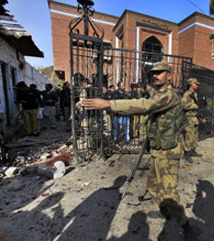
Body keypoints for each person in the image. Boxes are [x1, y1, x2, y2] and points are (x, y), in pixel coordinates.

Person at [81, 62, 199, 241]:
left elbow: (144, 105)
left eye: (160, 73)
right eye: (153, 73)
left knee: (169, 192)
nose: (155, 75)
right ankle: (166, 211)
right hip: (158, 149)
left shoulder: (170, 96)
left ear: (169, 75)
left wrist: (108, 104)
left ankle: (186, 225)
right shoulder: (157, 93)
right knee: (153, 186)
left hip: (169, 152)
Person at [182, 78, 206, 163]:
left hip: (194, 118)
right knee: (189, 136)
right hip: (188, 119)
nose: (197, 85)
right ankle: (187, 153)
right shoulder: (187, 94)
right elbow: (183, 105)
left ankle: (192, 150)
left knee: (195, 136)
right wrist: (193, 106)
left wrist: (201, 117)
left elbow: (197, 108)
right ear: (191, 84)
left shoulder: (194, 94)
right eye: (196, 84)